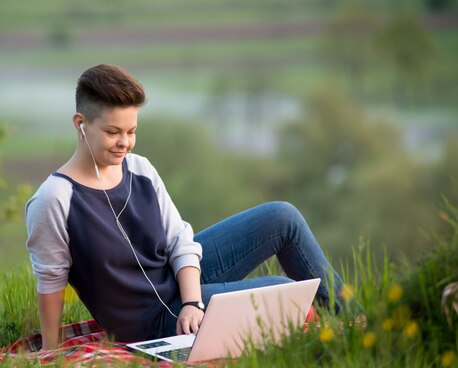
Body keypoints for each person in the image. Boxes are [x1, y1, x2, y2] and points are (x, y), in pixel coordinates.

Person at [25, 64, 358, 350]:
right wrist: (51, 350)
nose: (124, 142)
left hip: (179, 287)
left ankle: (358, 324)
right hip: (149, 322)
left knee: (282, 217)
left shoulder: (140, 169)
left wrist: (192, 302)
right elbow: (50, 280)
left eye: (131, 131)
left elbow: (179, 242)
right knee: (282, 293)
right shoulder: (54, 199)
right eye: (113, 132)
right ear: (80, 123)